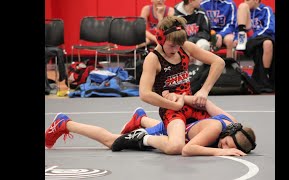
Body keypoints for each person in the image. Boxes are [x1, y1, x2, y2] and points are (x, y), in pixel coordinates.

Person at [112, 16, 226, 155]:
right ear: (160, 39)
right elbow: (145, 93)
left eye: (179, 45)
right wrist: (173, 105)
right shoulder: (153, 59)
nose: (176, 49)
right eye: (172, 45)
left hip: (190, 104)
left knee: (225, 129)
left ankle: (141, 119)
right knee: (176, 147)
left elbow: (218, 62)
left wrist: (204, 90)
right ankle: (143, 137)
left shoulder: (185, 48)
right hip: (171, 109)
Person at [45, 95, 256, 156]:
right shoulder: (215, 130)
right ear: (229, 132)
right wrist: (221, 154)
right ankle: (66, 124)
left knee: (177, 130)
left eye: (231, 148)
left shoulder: (232, 123)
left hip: (180, 124)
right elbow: (188, 149)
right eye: (228, 144)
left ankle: (140, 119)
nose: (226, 148)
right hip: (174, 127)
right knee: (112, 141)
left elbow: (207, 103)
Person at [234, 0, 275, 92]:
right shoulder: (243, 10)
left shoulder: (266, 10)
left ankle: (265, 75)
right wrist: (235, 39)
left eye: (248, 0)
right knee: (243, 6)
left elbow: (269, 28)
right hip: (246, 41)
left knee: (268, 43)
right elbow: (234, 27)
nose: (245, 1)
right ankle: (241, 38)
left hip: (260, 39)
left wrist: (253, 37)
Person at [174, 0, 211, 66]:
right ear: (190, 1)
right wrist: (189, 45)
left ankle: (197, 70)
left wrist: (192, 43)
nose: (201, 1)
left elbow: (206, 33)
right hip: (182, 44)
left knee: (204, 44)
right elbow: (176, 36)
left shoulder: (201, 12)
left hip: (197, 43)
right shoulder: (175, 15)